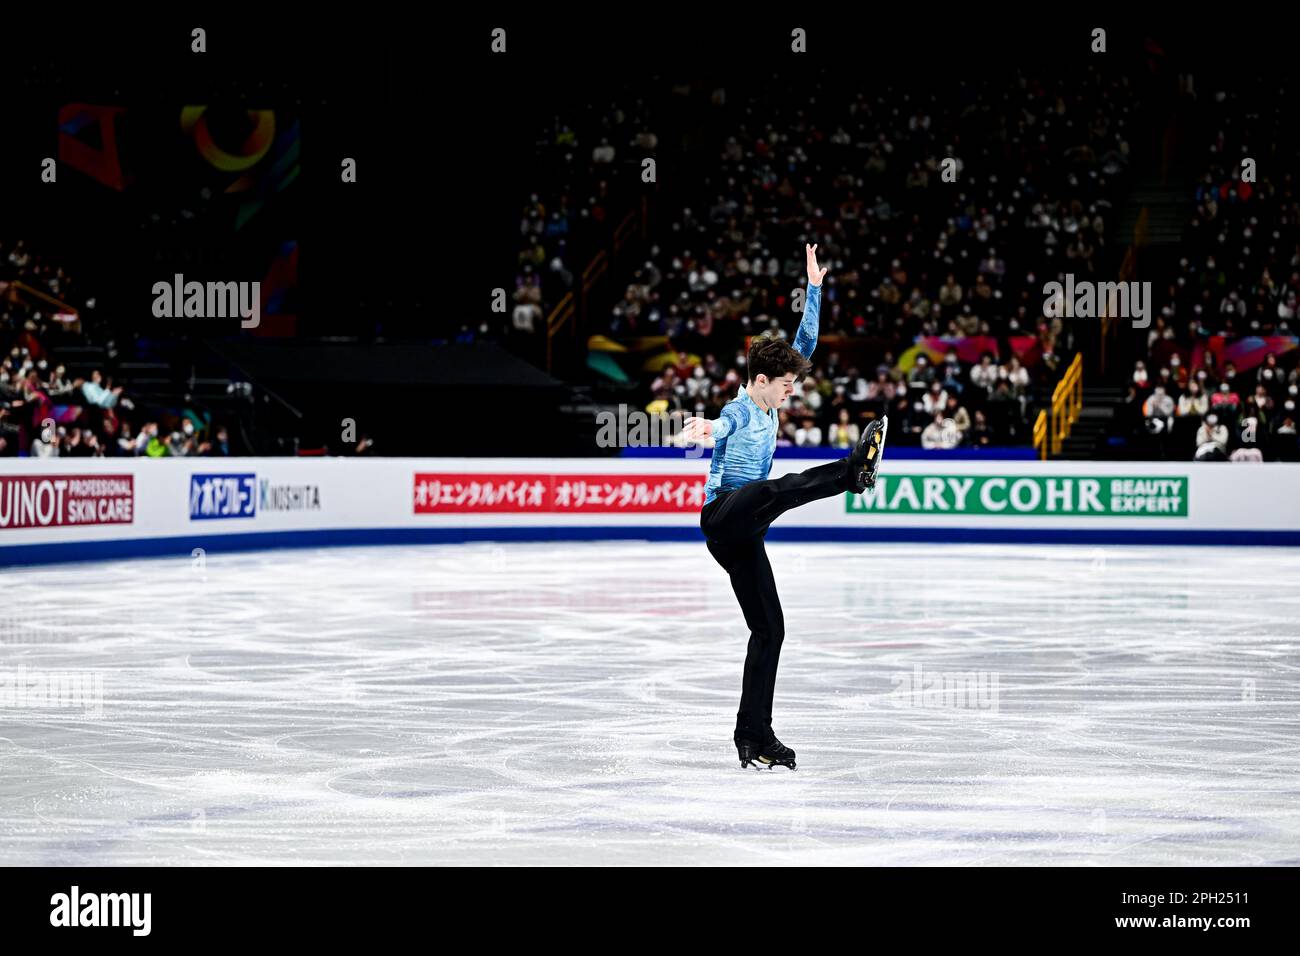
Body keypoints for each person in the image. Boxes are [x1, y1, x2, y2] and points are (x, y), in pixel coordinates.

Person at [683, 244, 888, 771]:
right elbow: (723, 424)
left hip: (745, 535)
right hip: (724, 514)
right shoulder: (740, 407)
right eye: (785, 386)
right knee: (773, 490)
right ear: (759, 383)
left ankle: (755, 734)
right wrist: (707, 428)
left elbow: (806, 343)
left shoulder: (771, 389)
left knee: (770, 629)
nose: (790, 393)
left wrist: (814, 289)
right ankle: (852, 472)